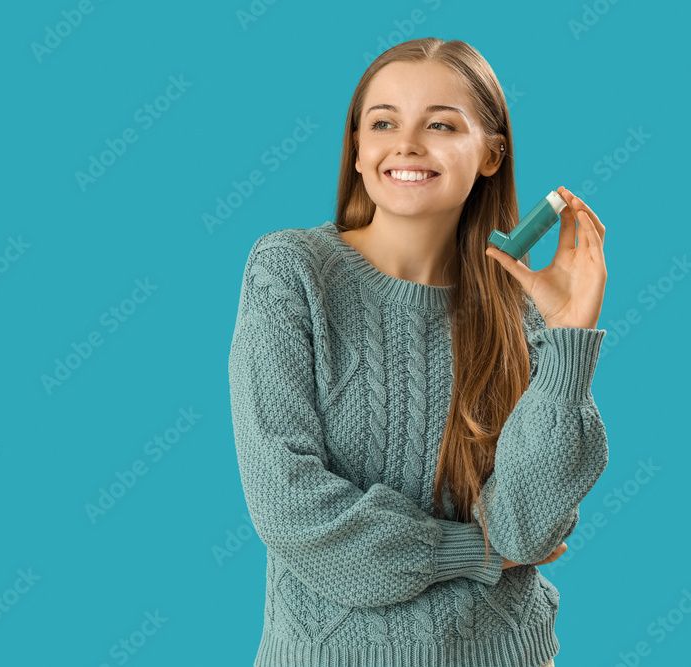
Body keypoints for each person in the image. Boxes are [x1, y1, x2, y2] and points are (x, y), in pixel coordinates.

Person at [227, 37, 608, 667]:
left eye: (439, 124)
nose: (405, 144)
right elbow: (290, 507)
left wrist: (568, 338)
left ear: (491, 153)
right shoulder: (290, 272)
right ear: (357, 147)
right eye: (383, 123)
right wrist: (477, 554)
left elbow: (530, 529)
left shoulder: (518, 307)